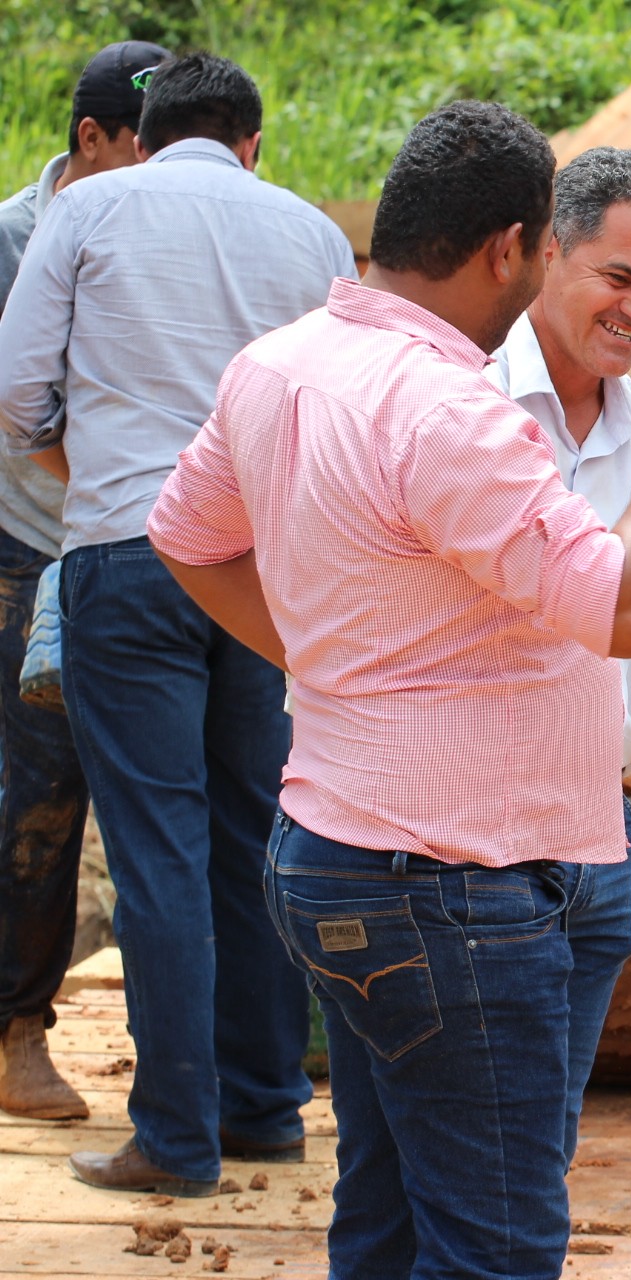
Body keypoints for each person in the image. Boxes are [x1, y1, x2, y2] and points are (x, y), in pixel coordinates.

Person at [145, 101, 631, 1277]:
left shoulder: (281, 364)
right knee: (500, 1243)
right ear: (518, 248)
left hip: (350, 850)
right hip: (456, 883)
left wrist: (331, 662)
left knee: (389, 1208)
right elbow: (623, 608)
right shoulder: (451, 407)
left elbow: (188, 538)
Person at [0, 52, 355, 1196]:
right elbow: (338, 405)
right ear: (252, 143)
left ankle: (174, 1135)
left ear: (141, 139)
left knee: (154, 843)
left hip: (126, 551)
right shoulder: (309, 234)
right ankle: (265, 1108)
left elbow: (14, 393)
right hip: (259, 571)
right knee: (256, 836)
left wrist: (86, 462)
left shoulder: (92, 205)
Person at [484, 145, 631, 1158]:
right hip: (471, 832)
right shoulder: (468, 396)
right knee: (467, 1157)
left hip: (595, 824)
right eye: (618, 276)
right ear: (547, 251)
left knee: (543, 1148)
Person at [0, 37, 167, 1123]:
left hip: (154, 547)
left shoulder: (168, 220)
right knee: (41, 795)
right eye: (138, 155)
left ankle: (190, 1051)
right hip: (35, 545)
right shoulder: (17, 237)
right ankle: (18, 1029)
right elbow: (25, 409)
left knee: (168, 798)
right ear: (88, 140)